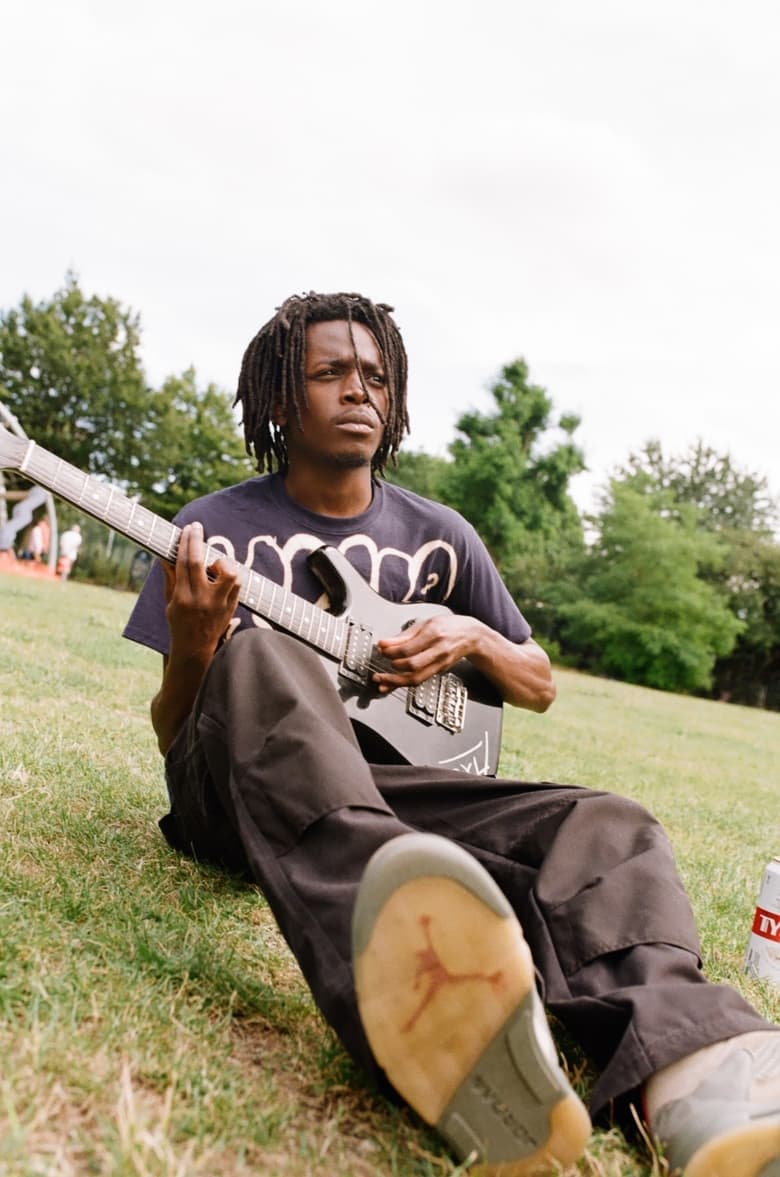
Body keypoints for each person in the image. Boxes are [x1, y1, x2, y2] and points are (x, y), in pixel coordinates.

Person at [123, 293, 780, 1177]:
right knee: (263, 655)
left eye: (375, 375)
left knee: (608, 825)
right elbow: (174, 733)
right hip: (245, 793)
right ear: (280, 398)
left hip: (398, 789)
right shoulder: (212, 527)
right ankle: (425, 971)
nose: (359, 390)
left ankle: (698, 1069)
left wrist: (472, 636)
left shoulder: (441, 536)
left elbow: (538, 682)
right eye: (329, 372)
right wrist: (200, 645)